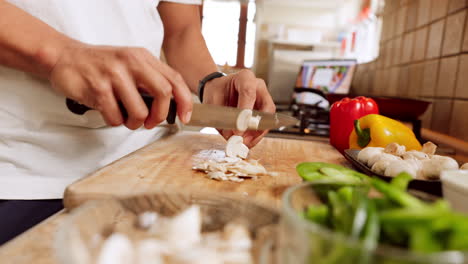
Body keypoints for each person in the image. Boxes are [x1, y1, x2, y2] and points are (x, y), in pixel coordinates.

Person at [0, 0, 275, 245]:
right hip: (26, 172)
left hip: (147, 165)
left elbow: (182, 31)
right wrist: (61, 54)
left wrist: (211, 82)